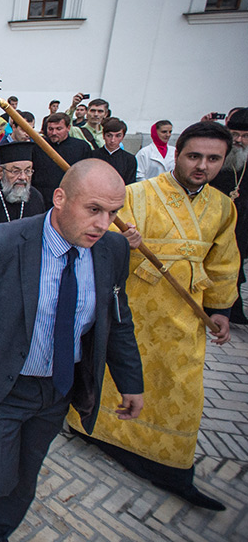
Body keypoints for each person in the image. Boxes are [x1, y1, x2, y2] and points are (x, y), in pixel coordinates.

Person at [0, 159, 144, 541]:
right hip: (3, 384)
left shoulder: (113, 251)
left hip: (57, 390)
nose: (104, 225)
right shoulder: (1, 241)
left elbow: (117, 319)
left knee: (24, 479)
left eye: (112, 213)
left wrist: (130, 381)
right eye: (94, 210)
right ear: (60, 198)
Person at [69, 122, 238, 511]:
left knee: (182, 386)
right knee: (114, 372)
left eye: (213, 159)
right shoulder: (136, 196)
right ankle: (94, 429)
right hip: (133, 308)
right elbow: (90, 239)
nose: (202, 166)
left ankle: (174, 466)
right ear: (176, 155)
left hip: (183, 315)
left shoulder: (222, 207)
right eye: (194, 156)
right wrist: (119, 243)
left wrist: (221, 308)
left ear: (223, 162)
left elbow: (225, 260)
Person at [210, 108, 248, 324]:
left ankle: (231, 307)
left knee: (236, 264)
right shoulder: (221, 160)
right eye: (234, 135)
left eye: (244, 136)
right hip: (217, 220)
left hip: (243, 226)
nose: (239, 140)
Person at [32, 112, 91, 202]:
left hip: (69, 196)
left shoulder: (81, 147)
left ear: (68, 128)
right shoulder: (38, 145)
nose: (54, 133)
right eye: (50, 129)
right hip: (42, 197)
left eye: (59, 129)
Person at [92, 117, 137, 184]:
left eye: (118, 136)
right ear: (103, 136)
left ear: (123, 137)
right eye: (109, 136)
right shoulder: (92, 155)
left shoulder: (129, 159)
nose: (113, 140)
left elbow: (129, 183)